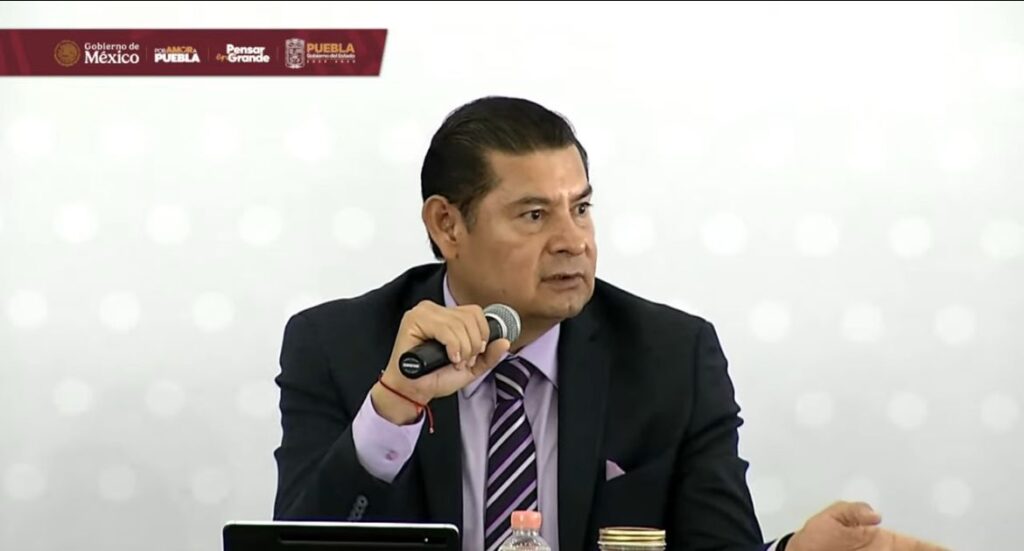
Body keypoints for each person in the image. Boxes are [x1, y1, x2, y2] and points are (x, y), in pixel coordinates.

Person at [272, 96, 947, 551]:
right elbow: (296, 544)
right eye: (534, 215)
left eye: (581, 208)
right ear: (447, 225)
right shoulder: (339, 346)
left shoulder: (672, 356)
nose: (574, 241)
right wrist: (396, 404)